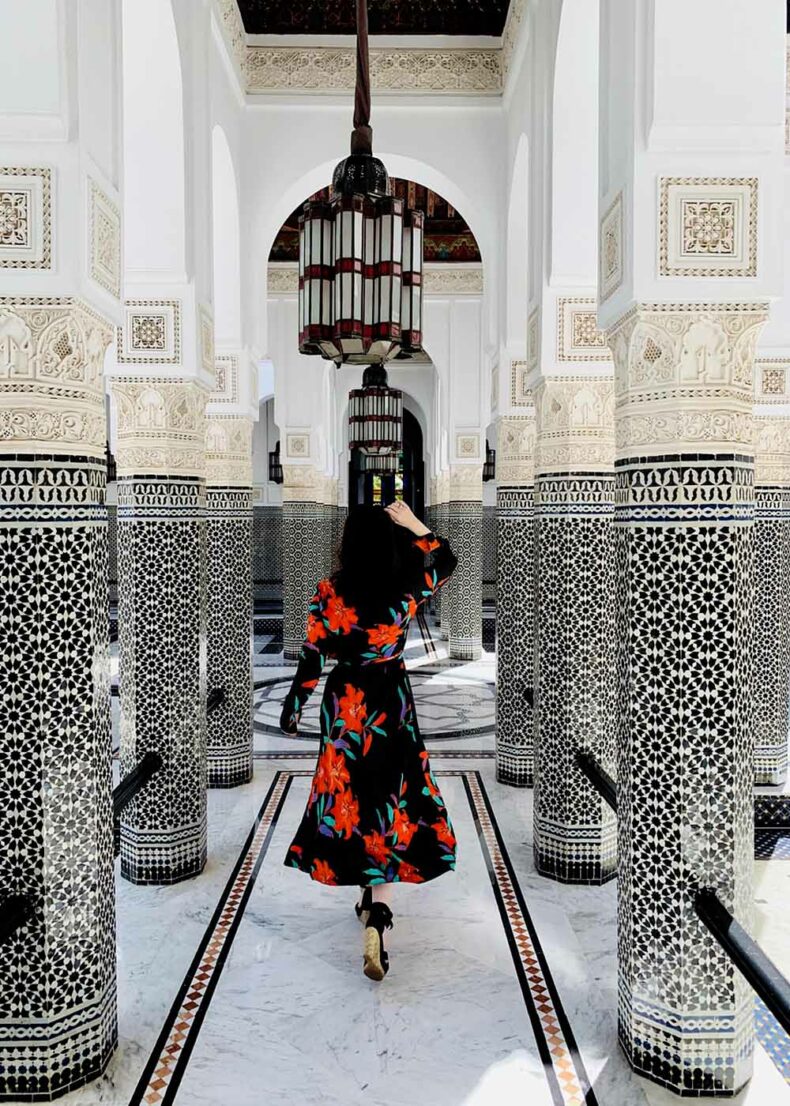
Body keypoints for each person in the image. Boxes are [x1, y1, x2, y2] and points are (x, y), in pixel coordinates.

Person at [280, 500, 459, 981]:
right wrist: (415, 525)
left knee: (352, 799)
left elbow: (313, 655)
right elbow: (446, 560)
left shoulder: (329, 592)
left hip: (345, 707)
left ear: (348, 543)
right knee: (389, 800)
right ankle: (378, 913)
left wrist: (293, 706)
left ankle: (367, 896)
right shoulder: (404, 589)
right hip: (391, 704)